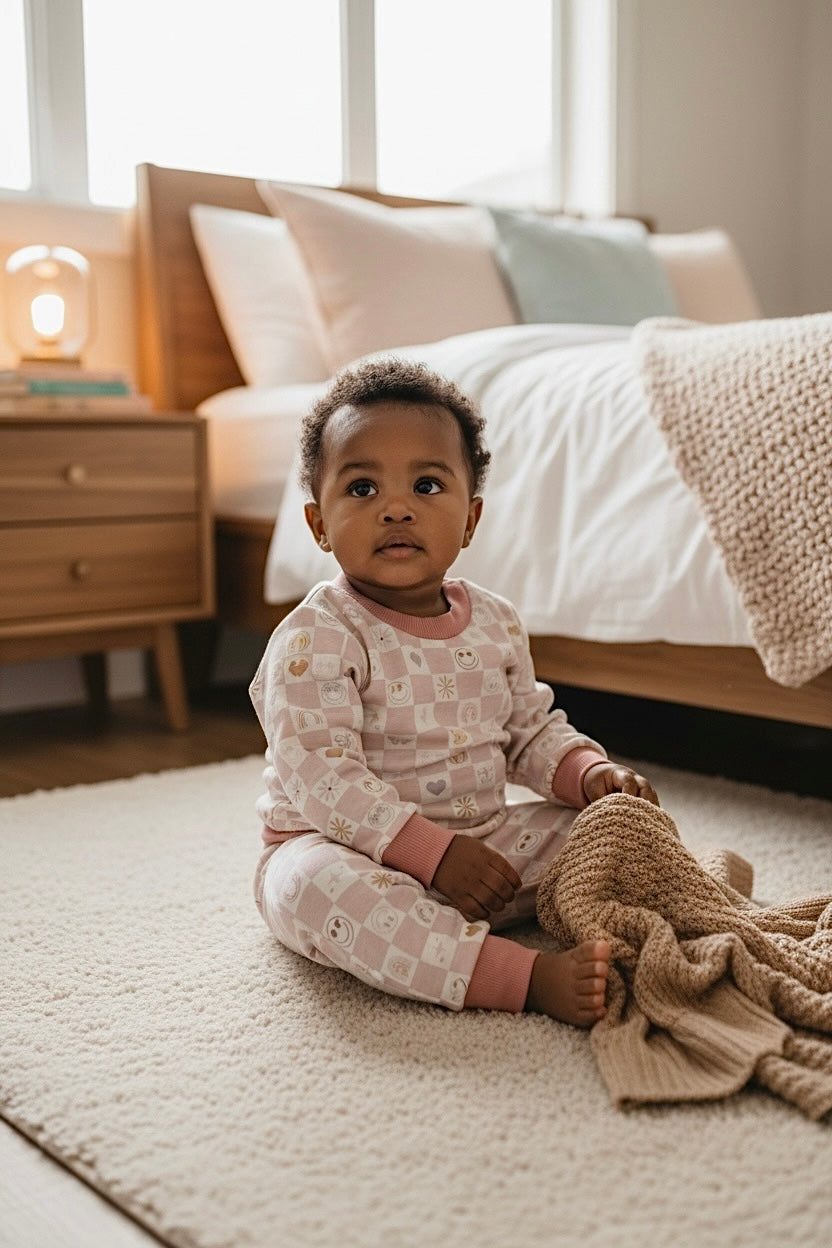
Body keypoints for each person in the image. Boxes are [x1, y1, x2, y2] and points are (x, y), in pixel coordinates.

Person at [250, 358, 659, 1026]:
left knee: (614, 831)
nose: (397, 507)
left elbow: (530, 730)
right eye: (360, 488)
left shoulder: (495, 623)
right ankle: (523, 978)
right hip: (344, 849)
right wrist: (430, 856)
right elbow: (321, 776)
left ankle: (676, 895)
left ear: (469, 520)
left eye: (427, 483)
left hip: (482, 844)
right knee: (317, 891)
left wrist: (589, 775)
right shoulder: (317, 634)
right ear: (319, 524)